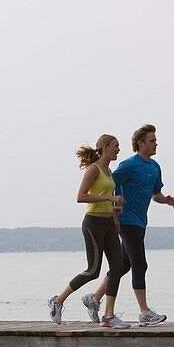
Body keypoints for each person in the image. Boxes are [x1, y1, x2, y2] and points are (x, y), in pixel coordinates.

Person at [83, 124, 174, 326]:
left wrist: (166, 199)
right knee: (140, 264)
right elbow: (108, 184)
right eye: (151, 141)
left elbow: (155, 194)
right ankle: (144, 313)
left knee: (123, 265)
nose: (155, 144)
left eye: (155, 140)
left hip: (141, 222)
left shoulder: (154, 167)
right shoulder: (128, 165)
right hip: (126, 220)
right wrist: (114, 212)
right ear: (140, 144)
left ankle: (95, 298)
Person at [48, 135, 130, 329]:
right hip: (93, 224)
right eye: (116, 146)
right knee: (93, 271)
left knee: (117, 268)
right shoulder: (93, 169)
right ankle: (58, 300)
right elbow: (81, 197)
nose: (118, 150)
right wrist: (110, 200)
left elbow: (107, 197)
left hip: (109, 223)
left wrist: (115, 214)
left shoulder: (109, 171)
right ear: (105, 147)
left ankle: (109, 316)